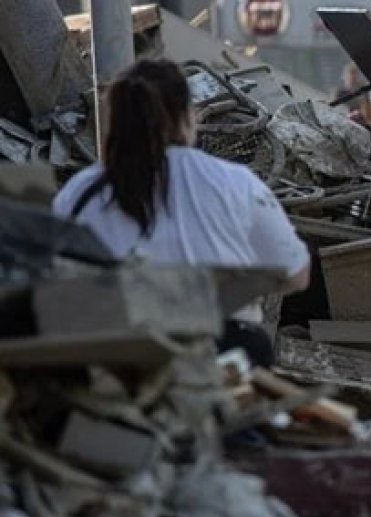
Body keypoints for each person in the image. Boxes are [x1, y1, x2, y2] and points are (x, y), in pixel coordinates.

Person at [52, 59, 310, 367]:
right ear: (188, 116)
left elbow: (54, 283)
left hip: (113, 355)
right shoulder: (234, 183)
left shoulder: (80, 190)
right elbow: (295, 274)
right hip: (222, 353)